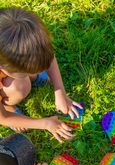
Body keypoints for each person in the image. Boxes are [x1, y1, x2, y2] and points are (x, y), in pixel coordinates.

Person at [0, 7, 83, 142]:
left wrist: (60, 92)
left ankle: (30, 77)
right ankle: (8, 105)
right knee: (21, 87)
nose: (40, 71)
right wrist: (45, 123)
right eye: (29, 72)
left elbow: (48, 56)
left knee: (24, 78)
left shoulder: (31, 41)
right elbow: (3, 118)